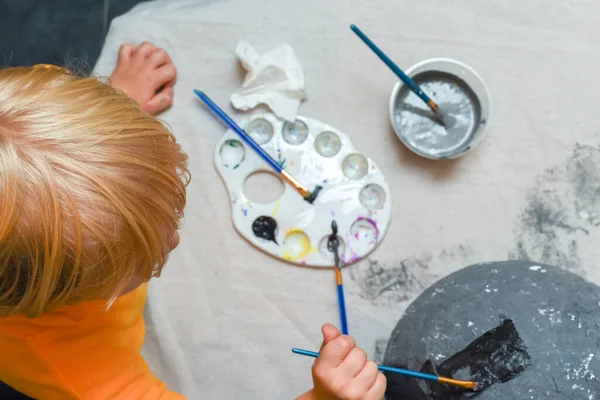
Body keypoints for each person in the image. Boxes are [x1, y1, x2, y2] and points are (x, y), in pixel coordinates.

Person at [0, 42, 386, 399]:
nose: (174, 242)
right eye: (146, 258)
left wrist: (114, 105)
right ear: (52, 293)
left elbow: (46, 131)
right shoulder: (76, 372)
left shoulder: (28, 110)